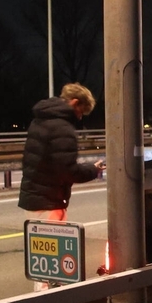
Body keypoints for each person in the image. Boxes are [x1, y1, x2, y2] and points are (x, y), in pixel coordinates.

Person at [18, 83, 105, 222]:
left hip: (32, 199)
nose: (80, 117)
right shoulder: (63, 128)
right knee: (56, 241)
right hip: (50, 202)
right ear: (75, 102)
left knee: (37, 241)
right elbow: (69, 172)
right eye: (81, 111)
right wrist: (93, 169)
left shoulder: (39, 120)